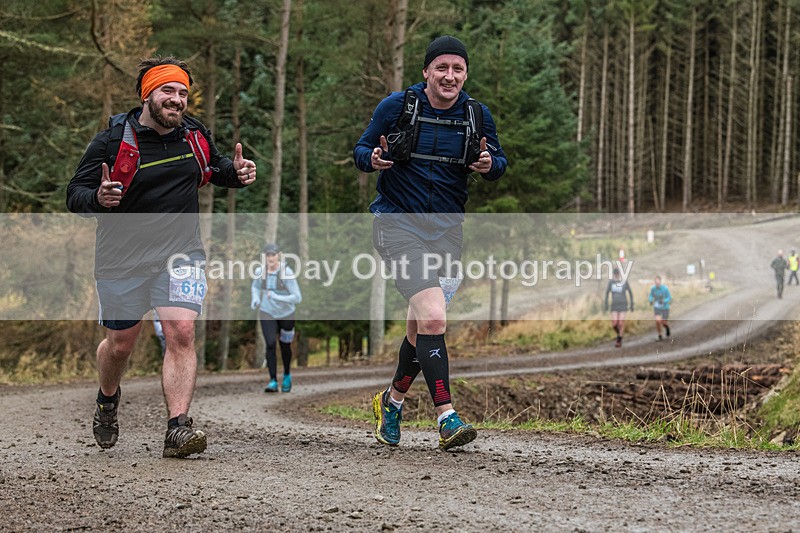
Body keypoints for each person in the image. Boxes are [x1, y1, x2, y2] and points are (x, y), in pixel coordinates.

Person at [66, 56, 257, 458]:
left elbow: (214, 168)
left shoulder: (194, 136)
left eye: (183, 92)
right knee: (120, 345)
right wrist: (99, 198)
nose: (176, 99)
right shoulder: (112, 141)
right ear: (147, 94)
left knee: (182, 332)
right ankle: (107, 398)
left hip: (181, 254)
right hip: (122, 260)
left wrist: (235, 172)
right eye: (167, 91)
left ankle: (178, 428)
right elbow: (75, 195)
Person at [354, 35, 508, 450]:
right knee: (435, 319)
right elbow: (362, 148)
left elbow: (499, 161)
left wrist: (490, 163)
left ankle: (391, 401)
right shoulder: (397, 106)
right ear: (426, 71)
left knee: (421, 326)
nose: (450, 76)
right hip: (396, 224)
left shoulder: (477, 114)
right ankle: (446, 416)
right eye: (442, 67)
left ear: (465, 74)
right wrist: (373, 159)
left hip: (447, 231)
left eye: (458, 69)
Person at [251, 243, 302, 393]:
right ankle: (272, 380)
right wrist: (255, 299)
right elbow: (255, 286)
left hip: (286, 315)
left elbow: (297, 297)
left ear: (279, 255)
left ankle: (286, 374)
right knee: (271, 343)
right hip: (267, 312)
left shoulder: (287, 273)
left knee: (285, 345)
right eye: (268, 255)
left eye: (273, 254)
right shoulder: (261, 271)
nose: (270, 257)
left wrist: (276, 297)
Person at [604, 268, 634, 348]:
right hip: (614, 305)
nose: (616, 275)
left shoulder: (624, 282)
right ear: (614, 274)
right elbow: (607, 293)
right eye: (615, 274)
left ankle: (619, 339)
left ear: (619, 274)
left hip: (623, 305)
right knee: (614, 324)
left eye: (617, 273)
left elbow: (630, 292)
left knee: (620, 323)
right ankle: (619, 334)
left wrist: (632, 304)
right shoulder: (611, 282)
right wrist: (606, 304)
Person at [648, 275, 672, 341]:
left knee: (664, 322)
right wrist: (650, 300)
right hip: (657, 307)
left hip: (665, 307)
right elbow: (651, 295)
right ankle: (660, 335)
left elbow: (669, 297)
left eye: (658, 282)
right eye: (656, 283)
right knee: (657, 321)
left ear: (660, 282)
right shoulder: (653, 289)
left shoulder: (665, 288)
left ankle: (666, 327)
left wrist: (664, 301)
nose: (657, 284)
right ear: (654, 282)